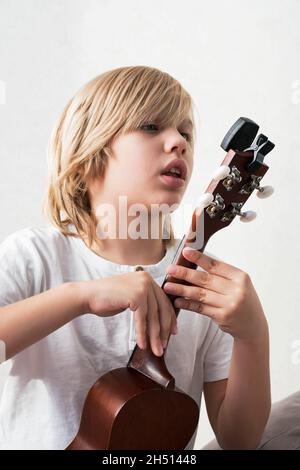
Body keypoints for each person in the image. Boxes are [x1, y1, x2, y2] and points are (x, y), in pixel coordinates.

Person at [0, 65, 270, 450]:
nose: (178, 142)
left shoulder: (201, 286)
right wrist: (83, 297)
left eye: (186, 133)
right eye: (150, 126)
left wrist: (253, 335)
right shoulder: (35, 257)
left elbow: (240, 440)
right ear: (89, 152)